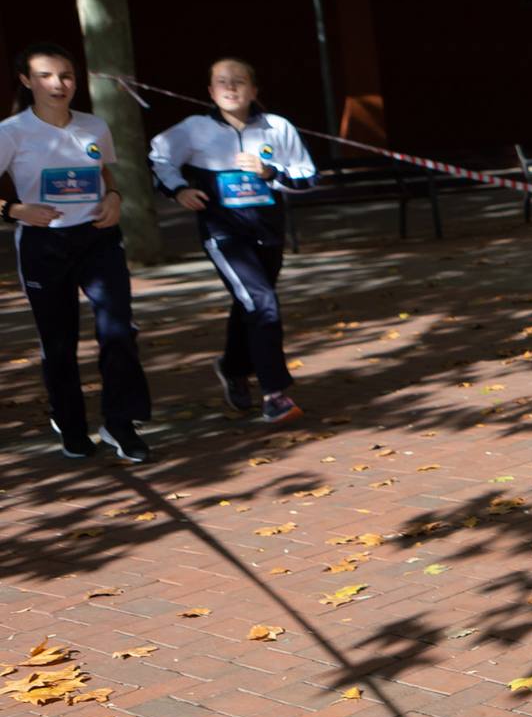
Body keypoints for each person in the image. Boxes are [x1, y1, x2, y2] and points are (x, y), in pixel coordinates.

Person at [0, 43, 153, 462]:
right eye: (46, 76)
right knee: (60, 341)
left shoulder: (94, 125)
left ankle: (119, 423)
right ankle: (69, 423)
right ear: (26, 81)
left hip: (98, 238)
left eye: (66, 75)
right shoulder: (11, 132)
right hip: (43, 245)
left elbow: (102, 169)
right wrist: (14, 210)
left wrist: (116, 196)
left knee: (119, 329)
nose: (58, 84)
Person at [149, 57, 317, 424]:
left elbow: (306, 177)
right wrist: (178, 191)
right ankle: (275, 394)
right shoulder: (194, 128)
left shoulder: (278, 127)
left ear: (254, 90)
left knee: (251, 305)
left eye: (239, 81)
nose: (230, 87)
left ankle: (233, 366)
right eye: (222, 82)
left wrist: (270, 171)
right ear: (210, 91)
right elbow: (159, 158)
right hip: (223, 231)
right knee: (261, 301)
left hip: (268, 231)